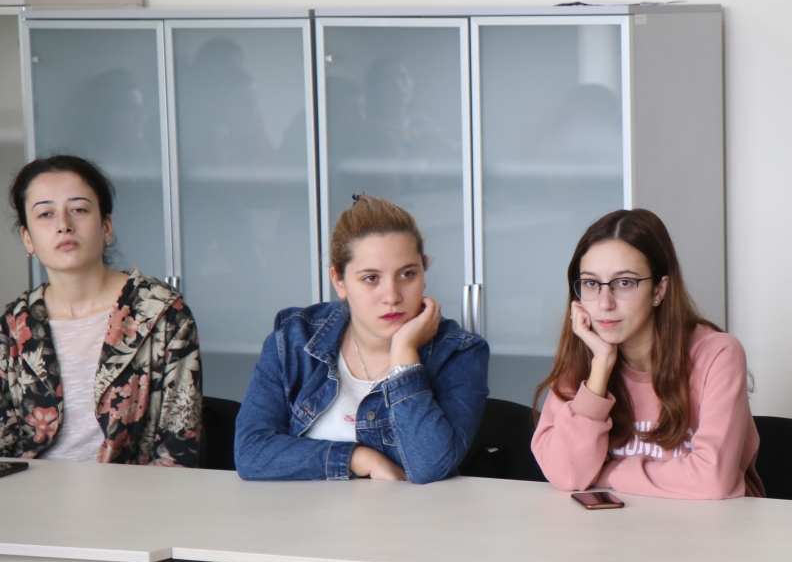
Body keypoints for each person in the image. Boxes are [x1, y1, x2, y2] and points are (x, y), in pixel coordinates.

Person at [234, 195, 487, 483]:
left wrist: (404, 354)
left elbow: (429, 466)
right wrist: (357, 458)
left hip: (409, 512)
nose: (392, 296)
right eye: (371, 278)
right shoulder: (294, 338)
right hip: (302, 510)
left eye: (407, 274)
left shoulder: (459, 352)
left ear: (423, 274)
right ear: (339, 281)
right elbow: (250, 452)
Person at [531, 209, 763, 499]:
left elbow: (712, 480)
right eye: (591, 283)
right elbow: (566, 475)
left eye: (624, 283)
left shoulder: (718, 353)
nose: (604, 303)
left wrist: (607, 472)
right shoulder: (585, 355)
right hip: (618, 523)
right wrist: (601, 366)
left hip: (713, 524)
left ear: (659, 289)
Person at [0, 155, 202, 466]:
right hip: (32, 490)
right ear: (28, 238)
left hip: (130, 492)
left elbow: (178, 452)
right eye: (45, 214)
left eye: (79, 209)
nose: (64, 225)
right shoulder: (14, 325)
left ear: (106, 227)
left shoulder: (163, 315)